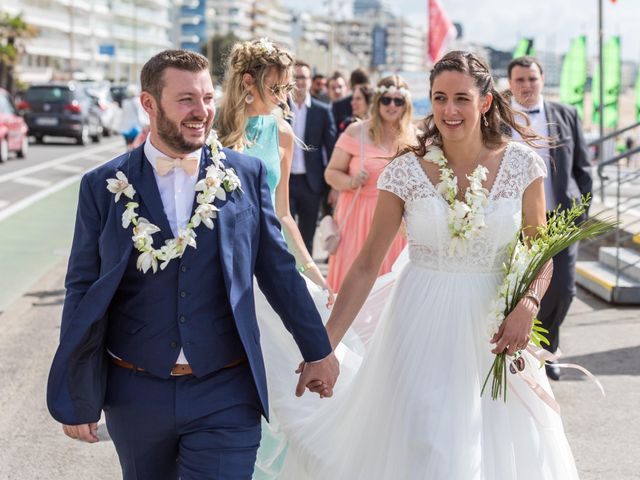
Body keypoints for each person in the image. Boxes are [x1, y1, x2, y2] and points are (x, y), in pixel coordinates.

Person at [254, 50, 579, 479]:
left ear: (484, 101)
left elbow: (541, 254)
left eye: (461, 98)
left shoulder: (523, 165)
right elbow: (367, 263)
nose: (449, 110)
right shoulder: (404, 171)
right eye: (439, 98)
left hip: (494, 330)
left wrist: (529, 306)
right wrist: (323, 346)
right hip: (418, 327)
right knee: (428, 445)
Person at [46, 49, 339, 480]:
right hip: (135, 392)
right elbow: (83, 290)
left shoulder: (246, 175)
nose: (201, 111)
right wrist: (78, 390)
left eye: (206, 98)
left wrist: (318, 349)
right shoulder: (101, 187)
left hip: (226, 389)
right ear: (149, 104)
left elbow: (276, 270)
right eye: (185, 99)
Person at [216, 40, 333, 301]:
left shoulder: (282, 133)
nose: (283, 97)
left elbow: (282, 214)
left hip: (266, 256)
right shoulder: (212, 126)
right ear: (248, 82)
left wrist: (312, 271)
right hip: (217, 257)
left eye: (287, 88)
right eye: (276, 88)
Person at [508, 56, 593, 380]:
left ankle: (548, 349)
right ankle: (519, 354)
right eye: (520, 80)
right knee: (515, 289)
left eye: (532, 79)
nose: (527, 86)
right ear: (510, 84)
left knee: (562, 290)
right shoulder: (497, 118)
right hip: (514, 220)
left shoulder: (566, 115)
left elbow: (583, 169)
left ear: (542, 80)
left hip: (560, 218)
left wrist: (580, 212)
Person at [324, 76, 410, 292]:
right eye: (386, 100)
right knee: (352, 284)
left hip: (395, 223)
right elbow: (331, 173)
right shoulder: (356, 131)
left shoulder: (414, 138)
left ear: (406, 105)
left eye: (398, 101)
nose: (392, 105)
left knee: (388, 287)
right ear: (378, 101)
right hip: (357, 218)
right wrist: (352, 181)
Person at [286, 60, 337, 253]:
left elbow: (331, 149)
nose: (300, 81)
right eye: (296, 77)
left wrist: (333, 186)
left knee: (307, 237)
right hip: (285, 181)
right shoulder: (280, 109)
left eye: (304, 77)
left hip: (312, 183)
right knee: (284, 236)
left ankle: (305, 280)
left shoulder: (322, 111)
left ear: (310, 80)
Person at [118, 84, 149, 151]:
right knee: (136, 147)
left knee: (128, 146)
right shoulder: (137, 101)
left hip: (125, 128)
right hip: (135, 128)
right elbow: (141, 114)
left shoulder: (124, 102)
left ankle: (128, 158)